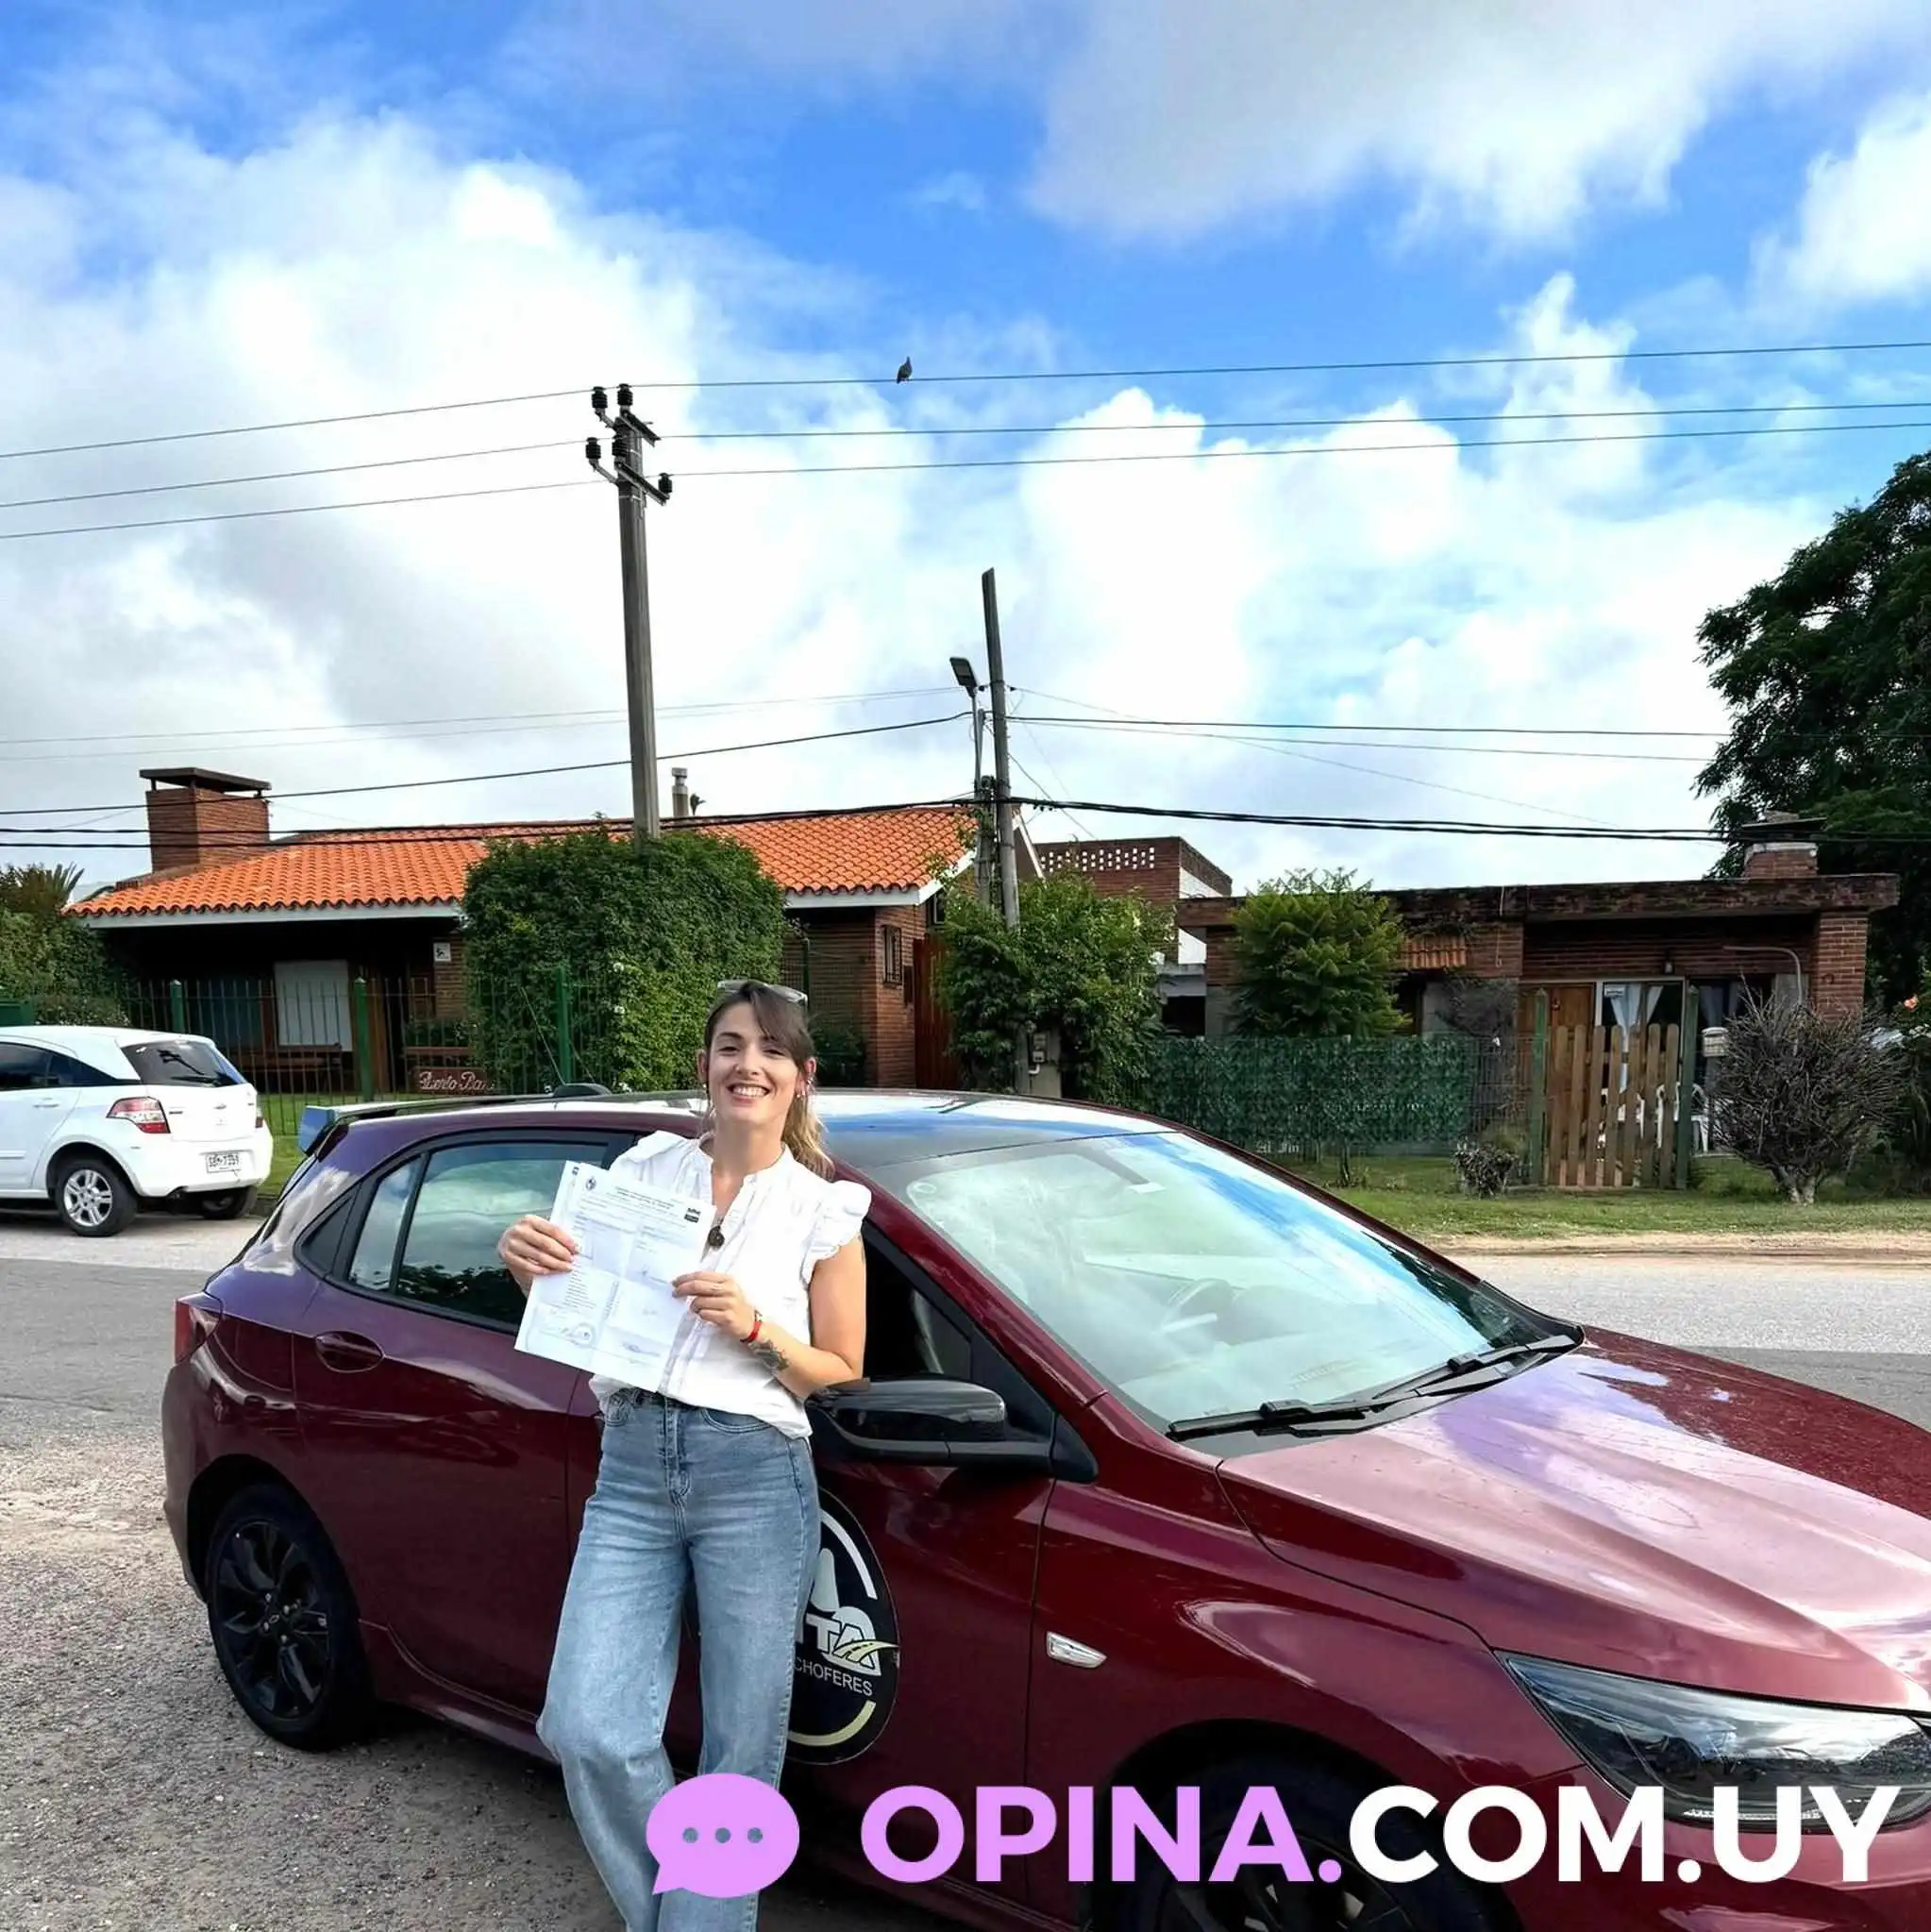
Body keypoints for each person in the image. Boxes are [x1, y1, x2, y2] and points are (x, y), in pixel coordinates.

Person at [498, 982, 869, 1931]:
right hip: (632, 1464)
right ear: (705, 1065)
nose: (749, 1064)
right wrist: (530, 1263)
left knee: (739, 1752)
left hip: (755, 1473)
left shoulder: (823, 1210)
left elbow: (839, 1368)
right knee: (587, 1724)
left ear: (801, 1075)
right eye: (731, 1045)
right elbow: (582, 1298)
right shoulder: (645, 1171)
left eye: (771, 1049)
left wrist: (754, 1327)